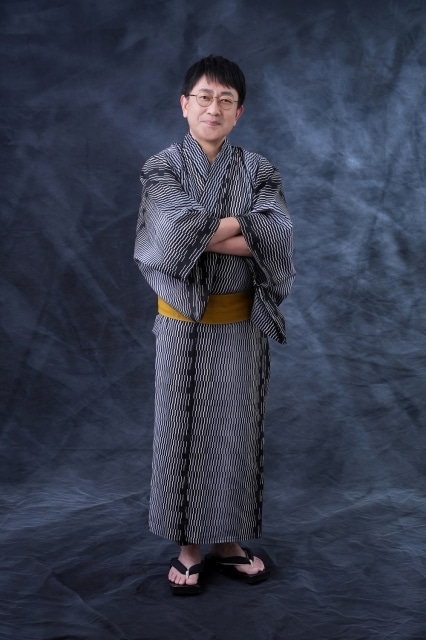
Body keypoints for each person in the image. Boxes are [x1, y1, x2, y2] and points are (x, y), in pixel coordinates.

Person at [134, 54, 295, 595]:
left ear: (238, 112)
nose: (214, 107)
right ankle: (188, 548)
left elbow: (276, 235)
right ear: (185, 105)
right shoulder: (162, 168)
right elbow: (166, 234)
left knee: (236, 432)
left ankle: (227, 542)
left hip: (241, 322)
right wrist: (237, 229)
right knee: (180, 432)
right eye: (204, 97)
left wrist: (199, 233)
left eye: (226, 100)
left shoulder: (259, 170)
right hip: (181, 323)